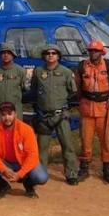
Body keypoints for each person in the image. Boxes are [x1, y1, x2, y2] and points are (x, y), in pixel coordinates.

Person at [31, 44, 80, 185]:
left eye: (54, 53)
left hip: (61, 115)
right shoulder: (38, 72)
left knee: (67, 146)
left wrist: (61, 103)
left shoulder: (65, 72)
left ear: (58, 56)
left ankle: (71, 173)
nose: (50, 55)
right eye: (47, 53)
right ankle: (40, 174)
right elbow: (34, 90)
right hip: (43, 116)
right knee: (42, 148)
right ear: (44, 56)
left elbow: (72, 91)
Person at [0, 102, 49, 199]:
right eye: (3, 115)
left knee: (41, 177)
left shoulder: (26, 130)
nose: (7, 118)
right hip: (5, 162)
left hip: (22, 162)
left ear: (15, 114)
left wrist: (20, 174)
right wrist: (3, 169)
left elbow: (33, 155)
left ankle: (28, 183)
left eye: (9, 114)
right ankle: (2, 185)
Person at [74, 39, 109, 183]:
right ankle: (84, 169)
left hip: (104, 109)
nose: (93, 53)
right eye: (91, 50)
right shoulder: (82, 67)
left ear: (101, 52)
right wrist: (82, 101)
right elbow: (78, 87)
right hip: (87, 108)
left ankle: (107, 169)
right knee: (85, 140)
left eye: (96, 51)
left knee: (106, 140)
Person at [0, 43, 27, 122]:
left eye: (9, 53)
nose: (6, 55)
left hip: (15, 109)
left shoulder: (20, 71)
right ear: (0, 55)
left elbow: (24, 88)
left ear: (13, 55)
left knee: (16, 132)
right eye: (3, 53)